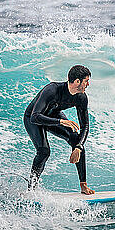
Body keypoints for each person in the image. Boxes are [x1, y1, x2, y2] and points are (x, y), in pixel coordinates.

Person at [23, 65, 95, 195]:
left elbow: (85, 126)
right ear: (77, 81)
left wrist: (78, 147)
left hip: (53, 116)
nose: (88, 84)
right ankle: (31, 189)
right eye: (86, 81)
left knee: (76, 140)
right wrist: (60, 121)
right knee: (44, 151)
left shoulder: (81, 97)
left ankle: (83, 185)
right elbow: (35, 116)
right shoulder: (52, 90)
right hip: (33, 119)